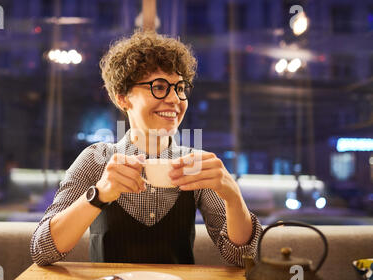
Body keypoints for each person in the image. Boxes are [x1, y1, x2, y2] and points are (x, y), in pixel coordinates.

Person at [30, 30, 262, 267]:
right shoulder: (96, 160)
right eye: (159, 87)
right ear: (122, 98)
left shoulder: (195, 164)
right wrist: (98, 195)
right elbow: (42, 250)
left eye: (180, 88)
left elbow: (243, 258)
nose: (175, 99)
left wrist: (233, 197)